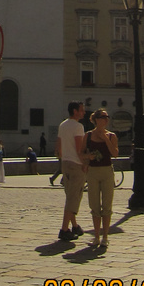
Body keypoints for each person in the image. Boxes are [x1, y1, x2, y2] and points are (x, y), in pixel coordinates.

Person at [83, 110, 118, 249]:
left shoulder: (111, 135)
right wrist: (88, 157)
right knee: (94, 204)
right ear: (96, 119)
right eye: (103, 117)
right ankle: (96, 236)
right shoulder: (88, 135)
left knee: (107, 204)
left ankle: (105, 236)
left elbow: (115, 153)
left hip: (107, 171)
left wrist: (105, 140)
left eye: (107, 117)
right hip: (93, 171)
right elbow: (81, 152)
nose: (106, 119)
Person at [55, 101, 86, 241]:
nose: (84, 112)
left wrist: (63, 158)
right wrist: (85, 162)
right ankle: (64, 229)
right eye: (81, 110)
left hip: (65, 163)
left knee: (70, 195)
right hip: (76, 164)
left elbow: (58, 148)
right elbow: (79, 148)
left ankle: (74, 226)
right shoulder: (78, 127)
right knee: (74, 197)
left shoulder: (63, 125)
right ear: (75, 111)